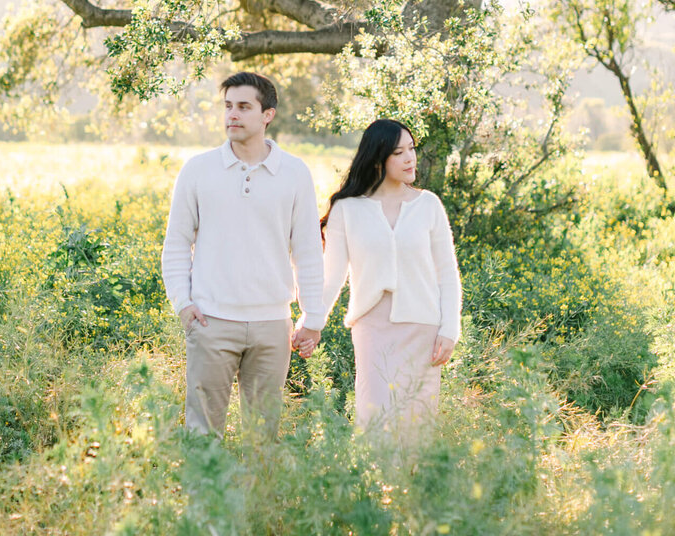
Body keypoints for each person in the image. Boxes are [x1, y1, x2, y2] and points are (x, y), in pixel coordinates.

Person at [161, 71, 325, 437]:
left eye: (244, 107)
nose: (232, 115)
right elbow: (176, 243)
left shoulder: (295, 173)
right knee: (202, 434)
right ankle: (204, 497)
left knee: (262, 436)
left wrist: (312, 317)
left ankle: (258, 497)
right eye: (228, 107)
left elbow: (309, 250)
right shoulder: (198, 170)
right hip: (211, 321)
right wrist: (183, 305)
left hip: (272, 325)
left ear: (267, 114)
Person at [311, 119, 462, 436]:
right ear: (379, 159)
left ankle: (414, 485)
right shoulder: (347, 209)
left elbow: (447, 273)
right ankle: (374, 484)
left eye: (412, 149)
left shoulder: (428, 205)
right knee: (375, 421)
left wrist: (450, 329)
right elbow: (333, 275)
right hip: (372, 330)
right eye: (399, 152)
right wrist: (312, 321)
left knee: (417, 424)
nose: (410, 159)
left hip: (423, 331)